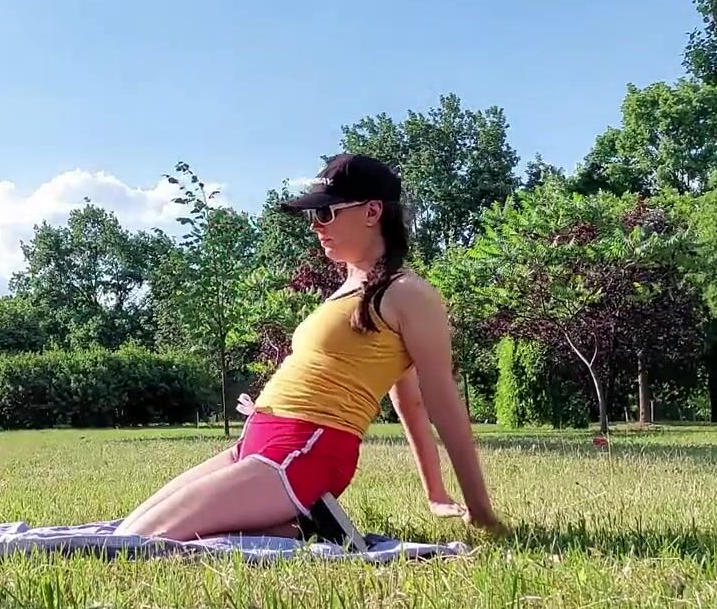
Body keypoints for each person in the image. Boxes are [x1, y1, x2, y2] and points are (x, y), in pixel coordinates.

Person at [114, 152, 504, 541]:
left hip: (306, 449)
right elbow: (407, 401)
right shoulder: (349, 291)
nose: (315, 226)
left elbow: (436, 401)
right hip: (260, 442)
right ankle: (302, 526)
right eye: (312, 216)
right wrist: (435, 493)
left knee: (143, 539)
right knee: (128, 528)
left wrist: (479, 510)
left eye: (326, 213)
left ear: (372, 212)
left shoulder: (407, 293)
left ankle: (299, 522)